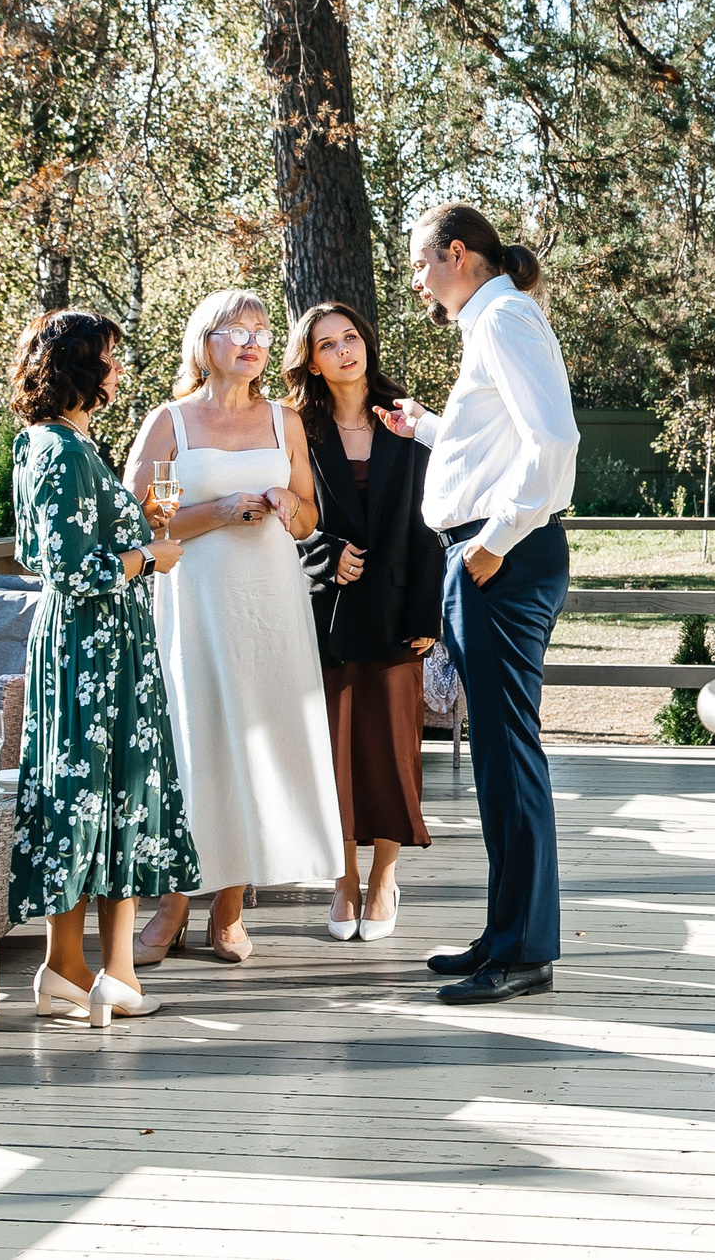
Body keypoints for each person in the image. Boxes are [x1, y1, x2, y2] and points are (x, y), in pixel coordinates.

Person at [389, 204, 577, 1005]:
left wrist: (493, 541)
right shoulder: (494, 319)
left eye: (422, 265)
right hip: (484, 555)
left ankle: (524, 949)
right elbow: (498, 442)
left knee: (509, 755)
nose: (419, 283)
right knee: (498, 757)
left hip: (502, 559)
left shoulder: (503, 316)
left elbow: (555, 441)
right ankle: (505, 934)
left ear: (456, 254)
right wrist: (429, 428)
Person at [124, 289, 343, 964]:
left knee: (257, 741)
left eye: (260, 331)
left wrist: (284, 502)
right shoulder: (171, 422)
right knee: (197, 742)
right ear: (204, 341)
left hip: (271, 604)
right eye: (235, 330)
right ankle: (173, 906)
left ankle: (230, 909)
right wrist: (218, 510)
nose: (251, 342)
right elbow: (139, 522)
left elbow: (308, 519)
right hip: (196, 599)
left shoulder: (286, 421)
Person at [3, 309, 197, 1027]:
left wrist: (135, 524)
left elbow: (43, 550)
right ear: (80, 367)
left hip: (95, 643)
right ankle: (97, 972)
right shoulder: (62, 450)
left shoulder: (53, 444)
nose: (118, 371)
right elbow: (65, 567)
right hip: (92, 647)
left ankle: (69, 969)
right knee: (104, 793)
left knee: (90, 794)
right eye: (109, 359)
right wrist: (150, 555)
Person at [281, 302, 444, 943]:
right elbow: (283, 511)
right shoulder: (297, 428)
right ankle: (343, 879)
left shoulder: (407, 417)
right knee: (335, 751)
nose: (346, 351)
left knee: (394, 750)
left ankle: (384, 878)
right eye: (328, 344)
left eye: (351, 338)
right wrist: (321, 552)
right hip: (325, 611)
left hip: (400, 607)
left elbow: (436, 519)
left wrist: (428, 611)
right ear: (311, 361)